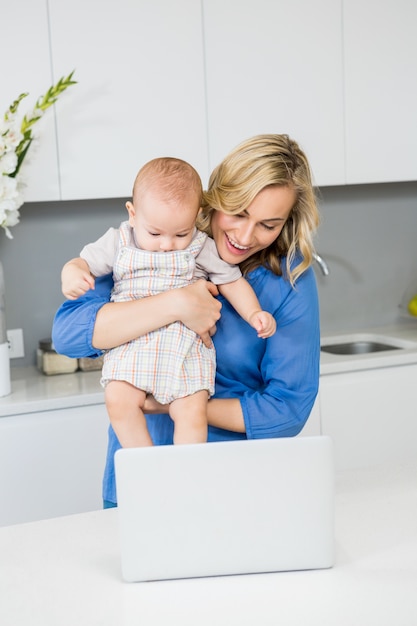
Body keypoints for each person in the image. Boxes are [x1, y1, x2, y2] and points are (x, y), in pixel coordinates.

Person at [52, 134, 321, 509]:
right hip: (136, 486)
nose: (245, 236)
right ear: (216, 198)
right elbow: (67, 334)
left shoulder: (288, 279)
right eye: (239, 212)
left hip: (230, 485)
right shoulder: (151, 237)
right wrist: (177, 303)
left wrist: (177, 403)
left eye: (268, 224)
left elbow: (288, 410)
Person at [60, 157, 276, 448]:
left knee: (191, 411)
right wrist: (72, 273)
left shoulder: (201, 245)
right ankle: (144, 464)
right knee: (118, 399)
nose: (167, 244)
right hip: (133, 346)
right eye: (155, 233)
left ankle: (184, 471)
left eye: (180, 234)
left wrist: (254, 313)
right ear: (133, 214)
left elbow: (232, 281)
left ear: (196, 217)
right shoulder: (119, 241)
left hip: (184, 349)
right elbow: (81, 262)